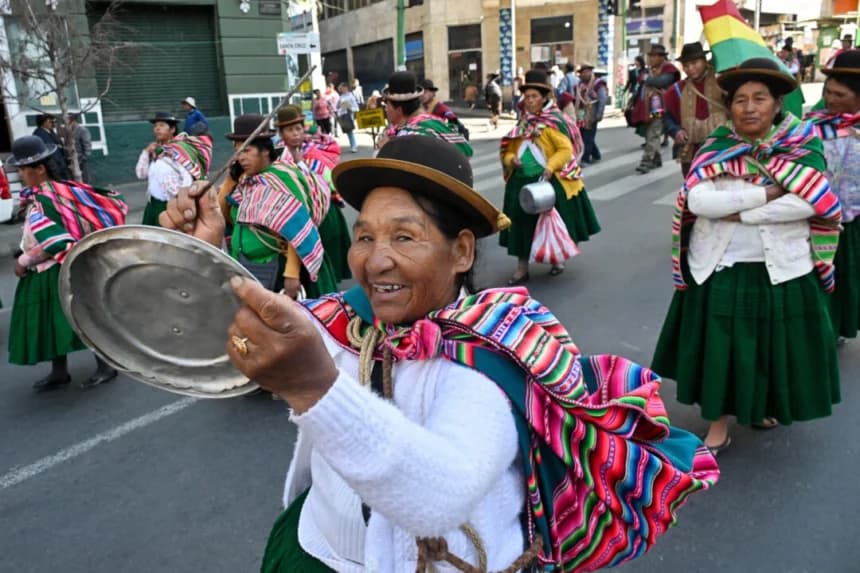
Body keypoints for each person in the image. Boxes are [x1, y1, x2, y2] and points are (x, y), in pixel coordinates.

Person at [158, 134, 717, 572]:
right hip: (319, 553)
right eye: (365, 236)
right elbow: (239, 333)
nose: (375, 261)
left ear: (462, 251)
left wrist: (315, 389)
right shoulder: (342, 319)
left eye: (404, 237)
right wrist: (202, 253)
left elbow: (441, 495)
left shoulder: (494, 353)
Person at [652, 58, 843, 455]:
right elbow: (700, 200)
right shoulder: (717, 147)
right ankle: (718, 424)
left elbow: (812, 202)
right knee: (722, 350)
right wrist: (767, 192)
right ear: (731, 107)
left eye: (760, 98)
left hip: (783, 267)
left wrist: (741, 211)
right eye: (741, 100)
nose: (750, 107)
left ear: (777, 105)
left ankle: (756, 408)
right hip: (723, 266)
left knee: (767, 347)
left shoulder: (802, 145)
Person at [7, 135, 127, 391]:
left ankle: (106, 366)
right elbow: (35, 232)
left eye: (22, 169)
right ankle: (58, 372)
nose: (19, 174)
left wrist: (25, 260)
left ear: (40, 168)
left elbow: (56, 241)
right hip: (44, 272)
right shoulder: (51, 193)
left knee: (79, 318)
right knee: (51, 321)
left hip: (56, 269)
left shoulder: (46, 198)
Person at [208, 113, 337, 300]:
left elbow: (298, 228)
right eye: (237, 151)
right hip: (247, 266)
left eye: (246, 150)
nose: (240, 157)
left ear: (265, 151)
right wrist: (230, 180)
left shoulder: (280, 179)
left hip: (278, 270)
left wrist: (292, 274)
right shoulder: (245, 181)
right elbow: (224, 217)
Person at [499, 69, 600, 284]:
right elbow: (509, 149)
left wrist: (550, 167)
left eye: (534, 96)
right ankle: (522, 267)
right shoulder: (523, 124)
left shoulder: (553, 122)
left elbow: (565, 150)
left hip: (547, 180)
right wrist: (511, 160)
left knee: (552, 222)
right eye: (526, 97)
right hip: (521, 182)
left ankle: (556, 259)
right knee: (521, 224)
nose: (529, 101)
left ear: (544, 98)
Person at [805, 50, 860, 340]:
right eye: (828, 92)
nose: (830, 99)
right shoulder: (814, 125)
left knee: (847, 277)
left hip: (854, 220)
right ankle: (821, 328)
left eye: (839, 94)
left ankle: (838, 327)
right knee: (821, 276)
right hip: (818, 218)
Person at [276, 105, 352, 284]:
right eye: (289, 129)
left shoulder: (316, 152)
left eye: (298, 128)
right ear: (281, 134)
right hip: (297, 219)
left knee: (329, 261)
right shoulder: (277, 159)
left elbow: (330, 180)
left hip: (327, 215)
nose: (295, 133)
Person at [135, 111, 213, 226]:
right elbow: (141, 174)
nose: (157, 129)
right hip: (152, 205)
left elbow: (187, 179)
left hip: (171, 206)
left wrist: (183, 202)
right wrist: (146, 152)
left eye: (161, 125)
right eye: (155, 126)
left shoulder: (178, 151)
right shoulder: (156, 152)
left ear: (172, 129)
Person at [663, 42, 729, 177]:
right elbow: (666, 117)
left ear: (704, 61)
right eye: (686, 65)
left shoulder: (723, 82)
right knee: (695, 193)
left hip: (723, 150)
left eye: (694, 63)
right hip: (692, 154)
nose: (690, 68)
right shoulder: (676, 90)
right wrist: (676, 131)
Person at [378, 71, 473, 157]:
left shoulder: (407, 138)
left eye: (387, 103)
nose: (385, 108)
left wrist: (387, 149)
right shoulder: (432, 122)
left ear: (398, 109)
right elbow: (467, 151)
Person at [634, 44, 681, 174]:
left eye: (654, 56)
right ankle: (657, 158)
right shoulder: (652, 69)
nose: (651, 59)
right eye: (650, 56)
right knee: (651, 132)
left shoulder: (669, 69)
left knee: (653, 133)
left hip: (662, 107)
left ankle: (647, 160)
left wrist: (647, 79)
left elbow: (661, 82)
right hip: (651, 106)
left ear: (661, 57)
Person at [575, 63, 608, 165]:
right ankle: (596, 154)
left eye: (586, 72)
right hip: (581, 114)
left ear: (591, 72)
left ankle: (585, 158)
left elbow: (602, 99)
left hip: (592, 113)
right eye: (582, 73)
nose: (584, 74)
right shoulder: (580, 84)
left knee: (588, 136)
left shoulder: (598, 83)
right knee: (583, 135)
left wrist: (599, 114)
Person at [32, 114, 71, 180]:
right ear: (44, 123)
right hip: (54, 166)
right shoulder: (39, 134)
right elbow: (50, 151)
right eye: (50, 122)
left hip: (61, 165)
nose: (53, 124)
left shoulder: (50, 131)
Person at [66, 113, 92, 183]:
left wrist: (83, 159)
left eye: (68, 121)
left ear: (73, 121)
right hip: (72, 162)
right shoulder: (69, 131)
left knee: (85, 180)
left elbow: (87, 146)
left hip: (81, 161)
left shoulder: (82, 130)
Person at [336, 82, 359, 153]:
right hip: (343, 115)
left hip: (349, 115)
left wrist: (350, 108)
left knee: (350, 131)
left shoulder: (351, 96)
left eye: (343, 88)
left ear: (346, 88)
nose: (342, 89)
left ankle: (354, 146)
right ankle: (353, 145)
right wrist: (340, 110)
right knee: (348, 131)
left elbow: (356, 108)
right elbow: (337, 106)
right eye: (341, 88)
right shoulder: (341, 97)